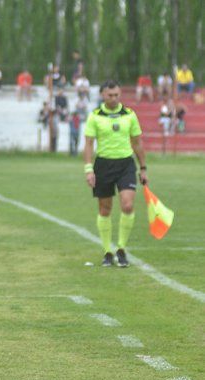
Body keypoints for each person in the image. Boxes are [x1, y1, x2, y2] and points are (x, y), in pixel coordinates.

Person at [83, 80, 147, 267]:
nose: (114, 98)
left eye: (117, 95)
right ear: (103, 95)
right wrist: (89, 170)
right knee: (105, 209)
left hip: (126, 164)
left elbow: (137, 143)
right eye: (110, 95)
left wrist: (143, 168)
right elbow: (88, 145)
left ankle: (121, 248)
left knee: (127, 206)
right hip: (103, 165)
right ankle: (107, 252)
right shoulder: (95, 117)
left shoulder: (129, 115)